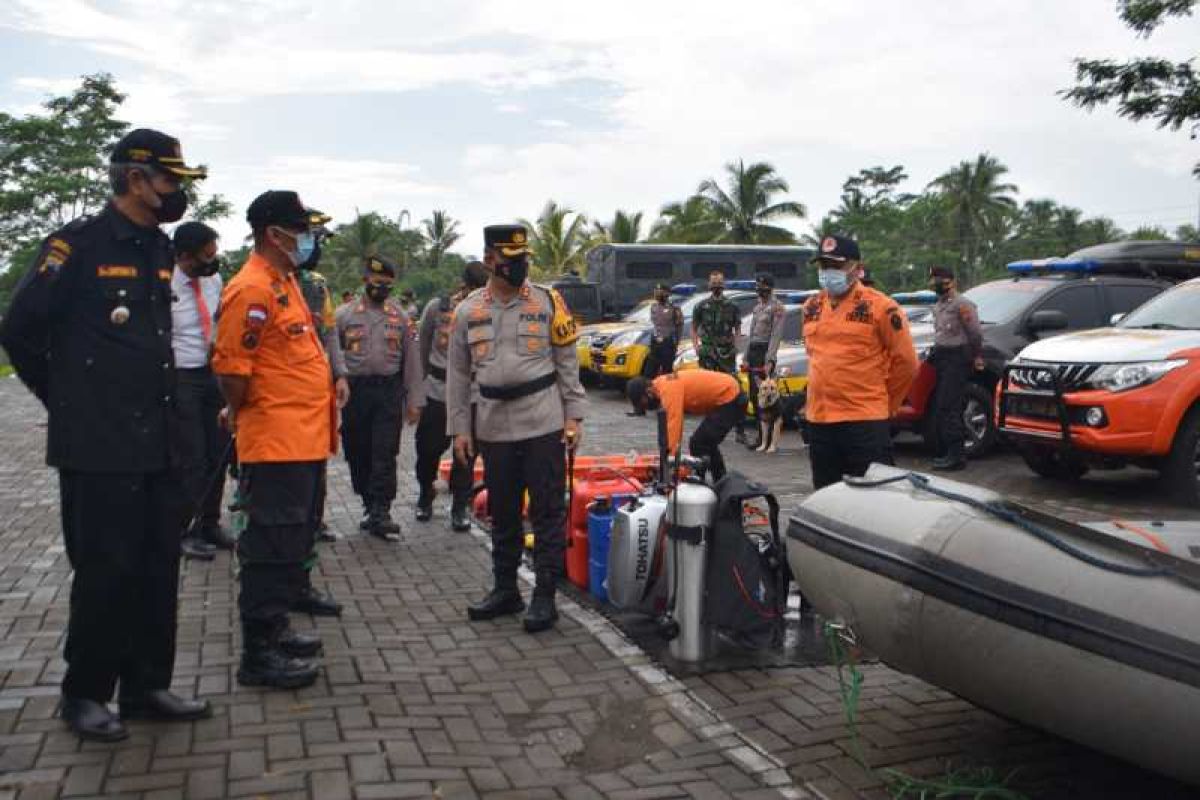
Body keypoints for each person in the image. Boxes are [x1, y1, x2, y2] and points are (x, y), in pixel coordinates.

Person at [0, 128, 212, 740]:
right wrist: (69, 404)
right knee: (105, 571)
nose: (178, 193)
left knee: (156, 567)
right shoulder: (76, 247)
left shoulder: (159, 249)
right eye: (170, 181)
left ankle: (147, 686)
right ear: (133, 178)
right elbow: (18, 331)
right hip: (99, 446)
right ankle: (84, 694)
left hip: (158, 441)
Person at [211, 190, 337, 689]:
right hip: (275, 441)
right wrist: (238, 410)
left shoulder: (284, 283)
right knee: (267, 544)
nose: (307, 238)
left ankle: (278, 625)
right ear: (274, 234)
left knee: (291, 541)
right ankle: (258, 653)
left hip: (302, 439)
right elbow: (231, 367)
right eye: (299, 229)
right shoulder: (250, 289)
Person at [446, 224, 587, 633]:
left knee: (546, 511)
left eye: (524, 258)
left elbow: (566, 361)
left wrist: (573, 416)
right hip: (492, 425)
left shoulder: (547, 301)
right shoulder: (468, 310)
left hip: (542, 421)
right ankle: (506, 589)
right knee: (503, 511)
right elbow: (457, 374)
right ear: (490, 260)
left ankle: (545, 595)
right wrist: (460, 429)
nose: (519, 266)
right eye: (511, 260)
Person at [803, 235, 918, 490]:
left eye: (836, 265)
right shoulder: (812, 306)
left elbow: (907, 363)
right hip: (820, 421)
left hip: (864, 422)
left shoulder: (881, 307)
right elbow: (816, 357)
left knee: (874, 502)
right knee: (827, 498)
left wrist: (887, 405)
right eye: (824, 266)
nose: (828, 272)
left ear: (856, 267)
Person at [334, 255, 424, 540]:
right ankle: (368, 501)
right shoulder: (343, 315)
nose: (381, 288)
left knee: (385, 451)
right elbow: (332, 357)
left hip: (388, 390)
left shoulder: (400, 317)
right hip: (354, 392)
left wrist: (414, 401)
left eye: (387, 284)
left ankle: (381, 510)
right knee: (358, 451)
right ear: (364, 281)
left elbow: (412, 363)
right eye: (376, 282)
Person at [171, 221, 235, 562]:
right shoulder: (163, 281)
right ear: (183, 256)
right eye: (205, 256)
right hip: (181, 375)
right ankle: (185, 529)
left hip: (213, 374)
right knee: (191, 458)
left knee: (218, 452)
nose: (212, 262)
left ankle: (210, 522)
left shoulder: (214, 280)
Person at [414, 260, 488, 530]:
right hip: (437, 391)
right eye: (475, 290)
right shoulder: (438, 308)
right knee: (427, 449)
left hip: (473, 394)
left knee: (466, 455)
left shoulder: (490, 310)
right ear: (464, 286)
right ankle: (425, 493)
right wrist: (416, 391)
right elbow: (421, 349)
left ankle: (460, 506)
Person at [296, 221, 349, 545]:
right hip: (279, 388)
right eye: (312, 241)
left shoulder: (317, 285)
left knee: (318, 454)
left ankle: (315, 518)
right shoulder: (263, 283)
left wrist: (340, 374)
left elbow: (329, 334)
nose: (316, 249)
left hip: (315, 385)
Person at [626, 371, 746, 482]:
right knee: (705, 442)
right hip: (727, 393)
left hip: (730, 396)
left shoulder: (668, 389)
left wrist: (669, 461)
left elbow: (674, 425)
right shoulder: (661, 385)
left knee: (700, 443)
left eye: (643, 403)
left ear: (648, 391)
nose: (646, 407)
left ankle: (703, 484)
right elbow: (664, 427)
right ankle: (720, 480)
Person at [928, 265, 983, 471]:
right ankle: (949, 452)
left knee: (950, 406)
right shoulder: (939, 305)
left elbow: (975, 334)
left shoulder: (963, 305)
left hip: (957, 359)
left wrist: (977, 355)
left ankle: (956, 456)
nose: (935, 284)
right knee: (944, 406)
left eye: (938, 280)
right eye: (933, 281)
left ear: (950, 281)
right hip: (942, 359)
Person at [745, 273, 786, 432]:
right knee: (754, 395)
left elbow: (776, 336)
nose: (759, 291)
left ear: (770, 289)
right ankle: (759, 432)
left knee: (766, 397)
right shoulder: (757, 307)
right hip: (754, 351)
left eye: (763, 288)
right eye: (758, 288)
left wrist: (769, 360)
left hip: (765, 352)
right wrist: (747, 357)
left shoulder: (777, 308)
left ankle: (766, 437)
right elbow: (752, 334)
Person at [692, 271, 740, 374]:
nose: (716, 286)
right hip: (707, 351)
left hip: (726, 352)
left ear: (723, 285)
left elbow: (737, 328)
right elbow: (694, 328)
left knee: (728, 382)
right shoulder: (701, 306)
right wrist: (696, 346)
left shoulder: (733, 306)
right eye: (714, 283)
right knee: (707, 384)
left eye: (719, 283)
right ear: (709, 284)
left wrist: (736, 346)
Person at [642, 283, 683, 379]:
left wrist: (676, 343)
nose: (657, 294)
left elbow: (679, 326)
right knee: (649, 372)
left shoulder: (674, 308)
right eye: (656, 291)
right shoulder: (653, 307)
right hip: (655, 343)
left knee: (667, 372)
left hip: (667, 343)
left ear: (667, 294)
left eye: (660, 292)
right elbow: (655, 324)